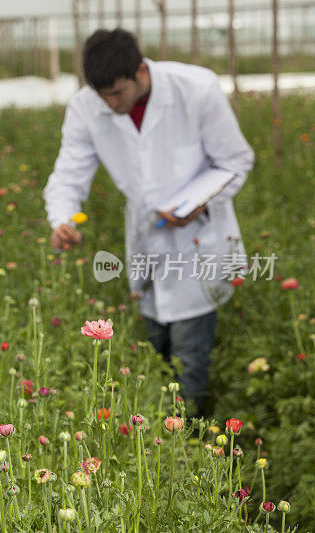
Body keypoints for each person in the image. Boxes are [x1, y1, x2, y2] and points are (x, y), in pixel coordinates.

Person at [43, 29, 254, 416]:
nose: (110, 103)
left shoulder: (196, 89)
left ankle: (190, 437)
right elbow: (69, 174)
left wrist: (198, 204)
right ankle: (160, 432)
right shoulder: (86, 107)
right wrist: (62, 219)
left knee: (190, 352)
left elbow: (235, 160)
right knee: (153, 347)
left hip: (199, 235)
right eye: (102, 95)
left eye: (118, 94)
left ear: (140, 71)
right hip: (145, 237)